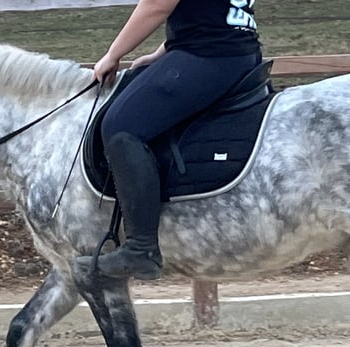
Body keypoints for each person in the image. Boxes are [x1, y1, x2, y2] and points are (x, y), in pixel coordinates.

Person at [78, 0, 262, 280]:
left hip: (207, 54)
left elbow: (156, 5)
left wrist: (112, 55)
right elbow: (210, 11)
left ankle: (141, 248)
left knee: (119, 127)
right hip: (238, 51)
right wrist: (159, 53)